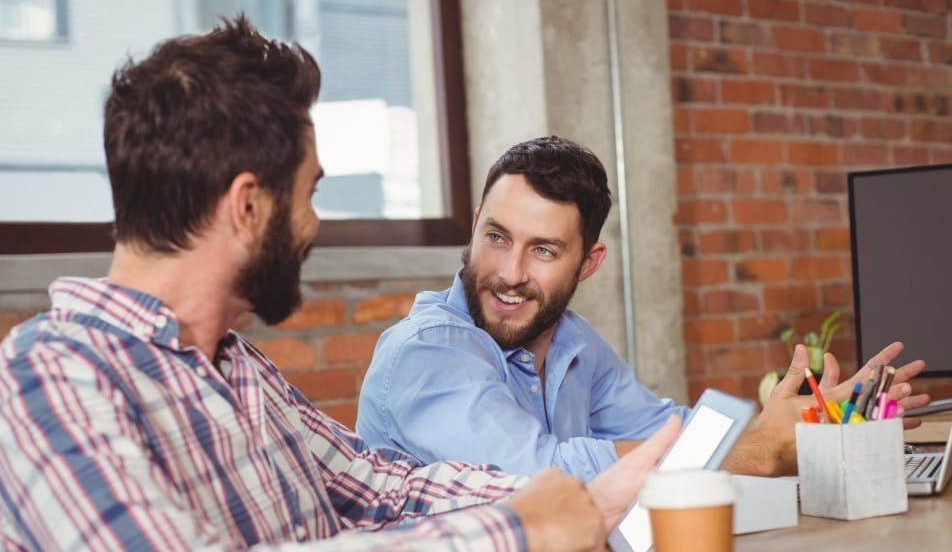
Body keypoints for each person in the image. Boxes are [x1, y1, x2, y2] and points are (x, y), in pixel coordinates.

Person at [0, 20, 681, 552]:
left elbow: (378, 484)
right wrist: (513, 531)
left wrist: (580, 494)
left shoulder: (234, 366)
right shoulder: (49, 377)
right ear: (248, 206)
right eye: (309, 193)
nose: (315, 224)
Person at [356, 136, 929, 482]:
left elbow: (668, 429)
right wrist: (753, 451)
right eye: (497, 236)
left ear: (589, 263)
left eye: (544, 250)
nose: (509, 272)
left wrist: (811, 420)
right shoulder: (428, 351)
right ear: (475, 223)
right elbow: (536, 477)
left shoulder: (574, 343)